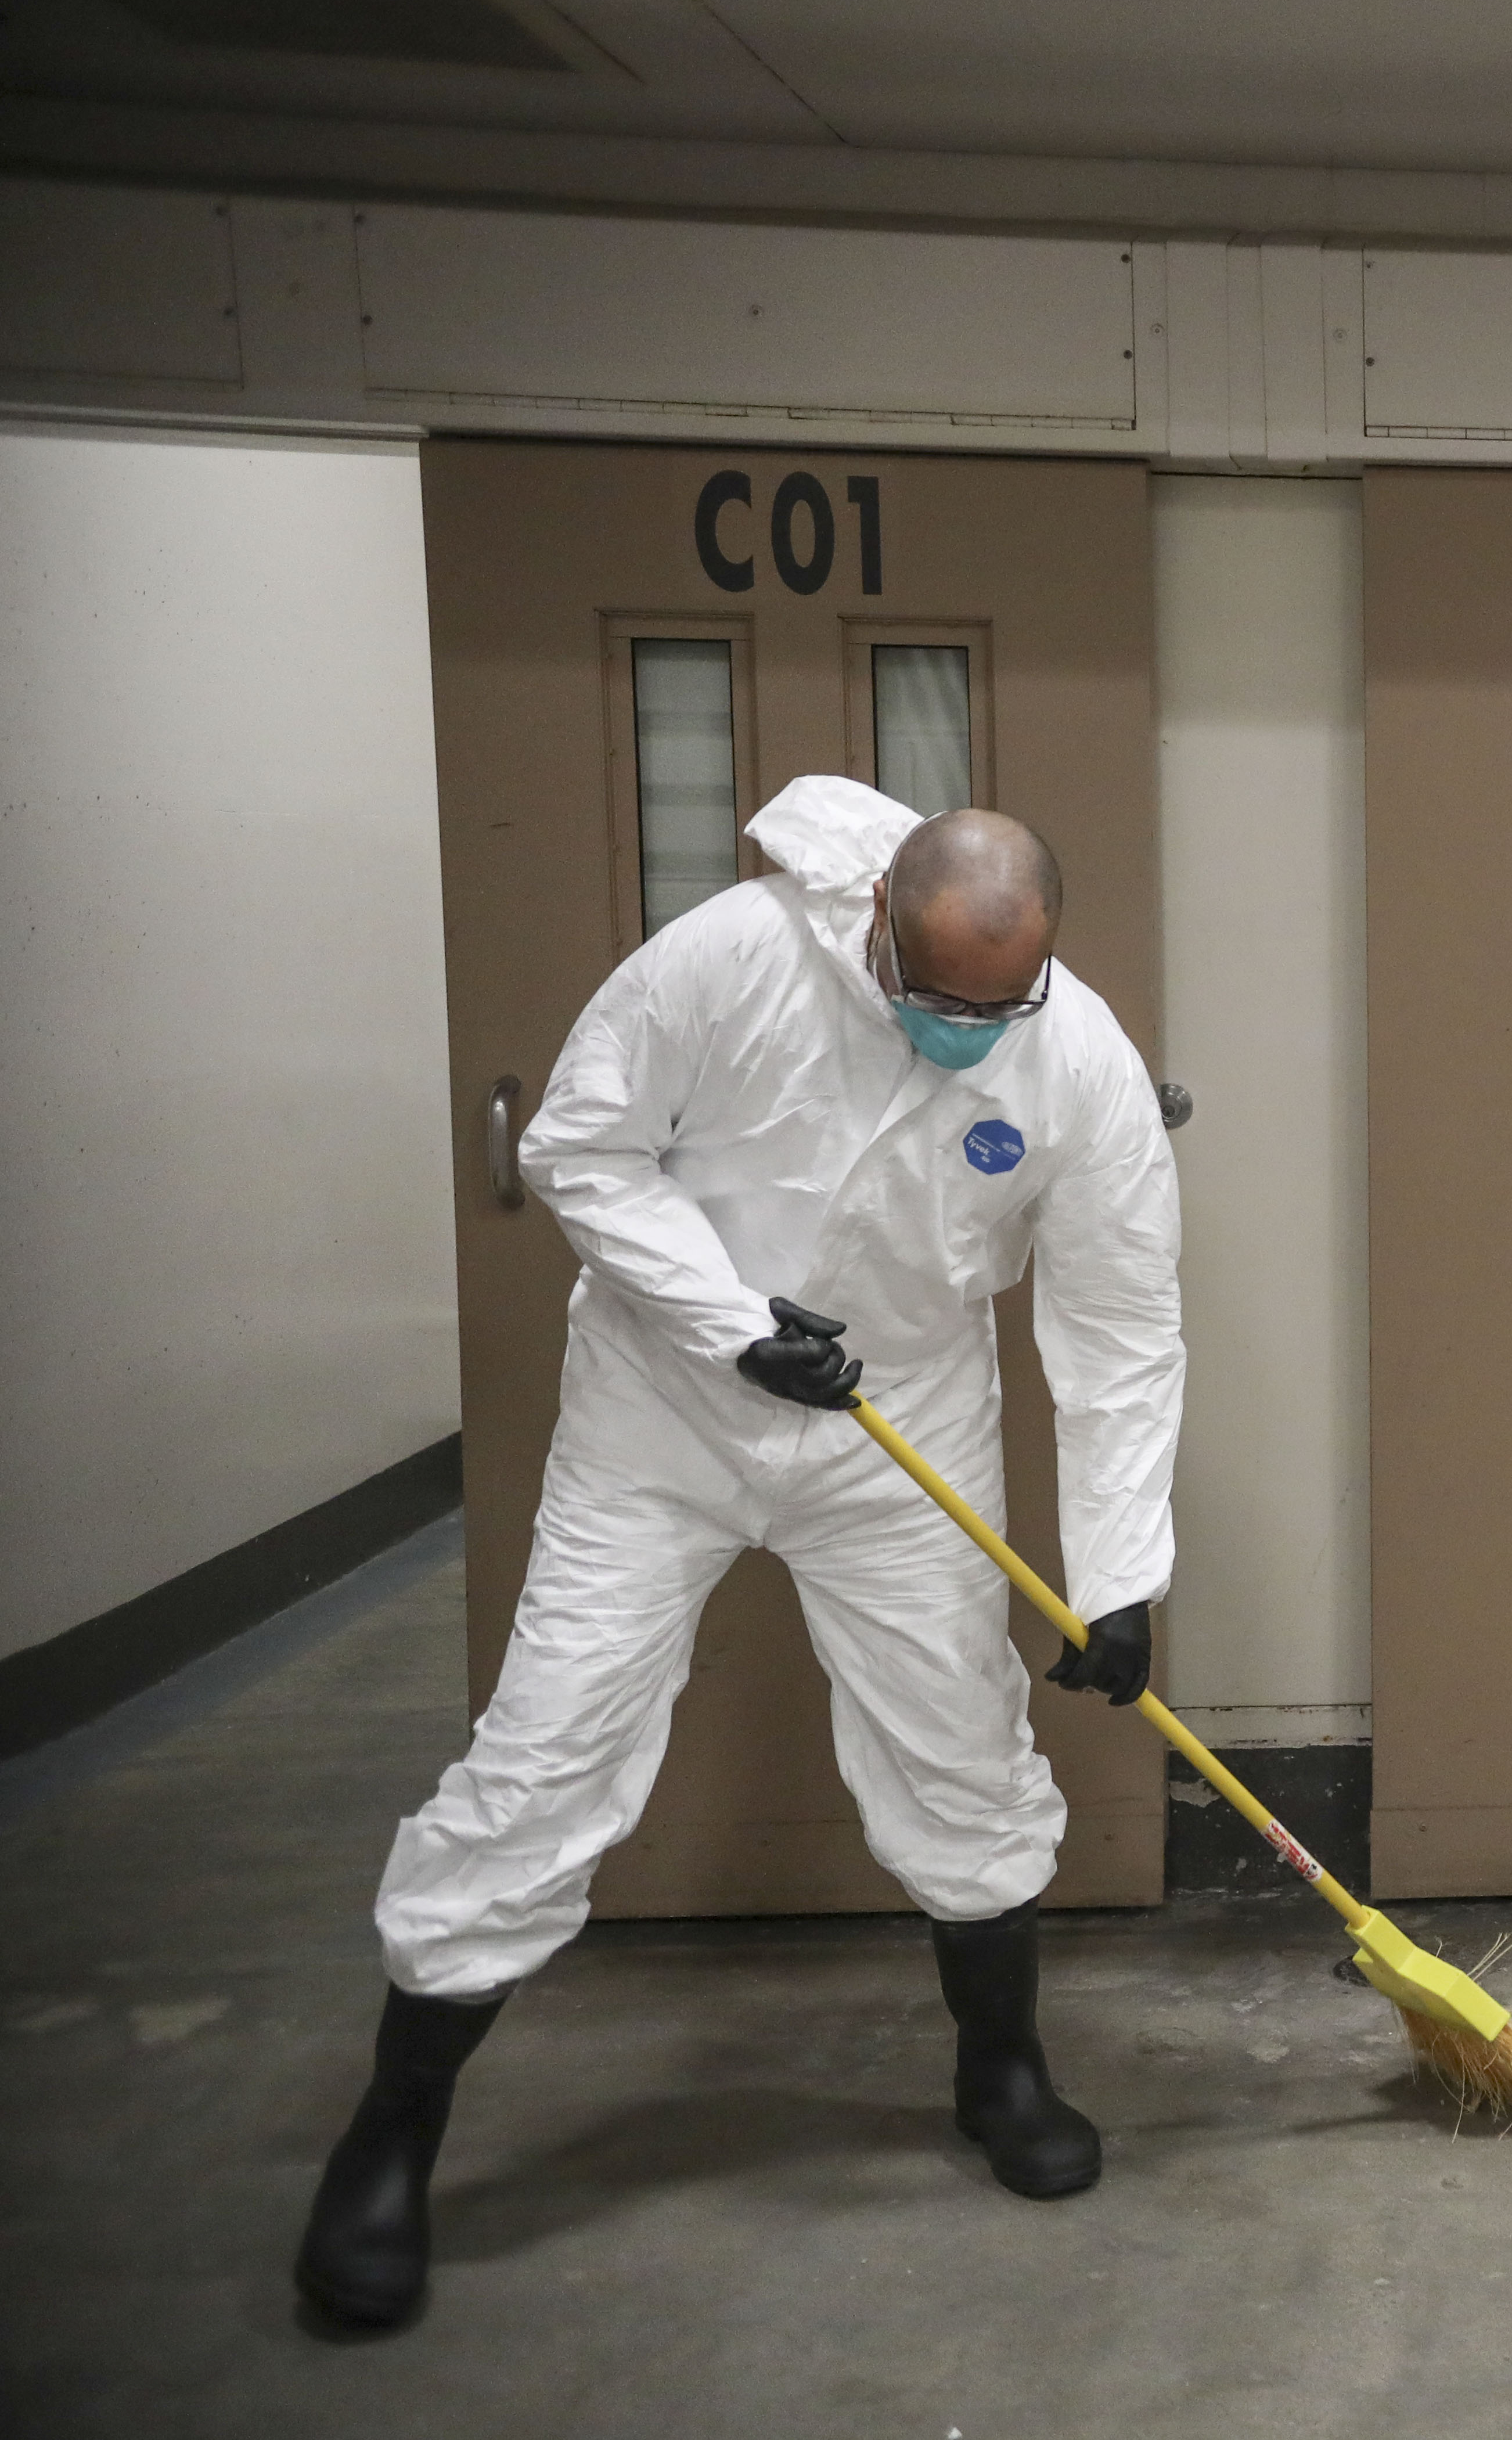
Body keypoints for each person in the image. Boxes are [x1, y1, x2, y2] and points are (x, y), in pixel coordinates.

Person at [293, 775, 1185, 2331]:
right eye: (940, 998)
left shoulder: (1079, 1056)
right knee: (551, 1745)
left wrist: (1116, 1571)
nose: (970, 1027)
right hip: (665, 1420)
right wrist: (729, 1323)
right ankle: (391, 2133)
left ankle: (1001, 2067)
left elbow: (1116, 1323)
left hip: (900, 1426)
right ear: (877, 936)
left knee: (958, 1745)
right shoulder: (728, 958)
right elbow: (582, 1148)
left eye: (1004, 1001)